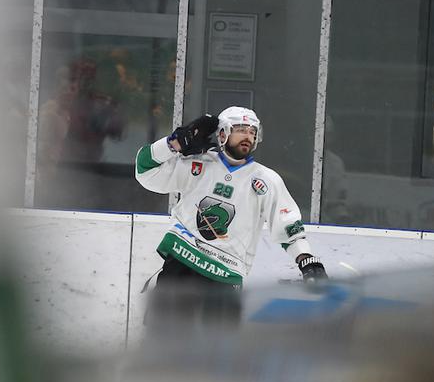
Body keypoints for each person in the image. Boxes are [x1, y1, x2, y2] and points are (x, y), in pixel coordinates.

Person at [135, 106, 327, 326]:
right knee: (163, 343)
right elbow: (145, 170)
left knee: (219, 352)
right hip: (181, 264)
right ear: (223, 134)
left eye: (252, 131)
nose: (248, 136)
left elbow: (289, 231)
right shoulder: (198, 163)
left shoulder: (267, 181)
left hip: (225, 277)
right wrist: (174, 144)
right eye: (241, 129)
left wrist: (308, 263)